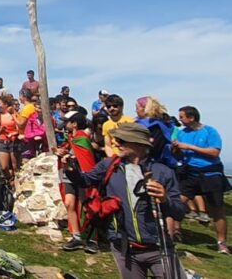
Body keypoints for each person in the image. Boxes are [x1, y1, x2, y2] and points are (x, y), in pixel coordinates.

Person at [66, 123, 186, 278]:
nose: (116, 144)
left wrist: (164, 199)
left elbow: (179, 212)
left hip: (159, 248)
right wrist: (70, 169)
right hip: (123, 247)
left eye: (121, 141)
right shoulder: (110, 165)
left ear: (138, 143)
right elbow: (85, 180)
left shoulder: (163, 172)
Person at [173, 106, 229, 254]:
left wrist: (190, 147)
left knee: (217, 208)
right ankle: (175, 232)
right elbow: (179, 155)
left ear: (191, 118)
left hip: (210, 173)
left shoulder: (210, 131)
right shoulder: (181, 133)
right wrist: (176, 149)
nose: (180, 120)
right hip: (190, 172)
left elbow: (215, 151)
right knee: (178, 202)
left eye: (182, 117)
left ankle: (222, 243)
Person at [56, 112, 98, 253]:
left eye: (67, 121)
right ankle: (76, 236)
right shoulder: (70, 138)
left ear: (74, 123)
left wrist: (67, 155)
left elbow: (85, 157)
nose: (65, 124)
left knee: (87, 206)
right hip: (70, 173)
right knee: (69, 203)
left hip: (82, 175)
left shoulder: (82, 138)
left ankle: (92, 239)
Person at [0, 94, 20, 182]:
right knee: (4, 167)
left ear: (5, 104)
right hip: (2, 141)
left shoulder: (13, 114)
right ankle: (10, 181)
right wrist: (0, 129)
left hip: (13, 142)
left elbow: (19, 129)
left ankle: (16, 183)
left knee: (15, 167)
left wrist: (13, 134)